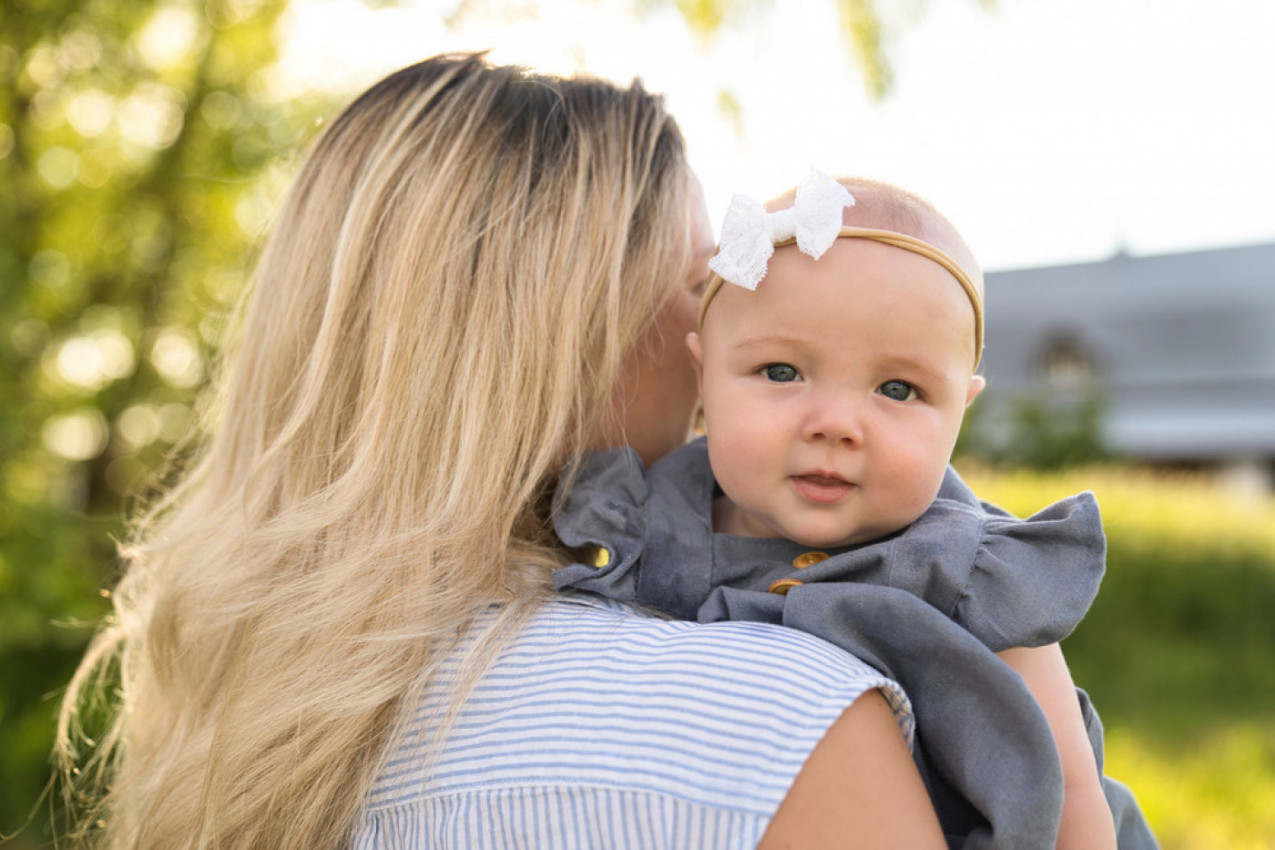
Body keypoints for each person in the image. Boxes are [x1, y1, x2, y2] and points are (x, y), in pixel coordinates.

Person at [54, 55, 948, 848]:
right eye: (697, 284)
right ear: (562, 342)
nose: (720, 328)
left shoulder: (237, 725)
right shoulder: (781, 722)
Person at [554, 172, 1158, 848]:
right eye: (781, 372)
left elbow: (1069, 790)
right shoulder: (641, 528)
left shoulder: (971, 571)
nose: (836, 425)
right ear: (704, 377)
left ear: (959, 411)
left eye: (897, 389)